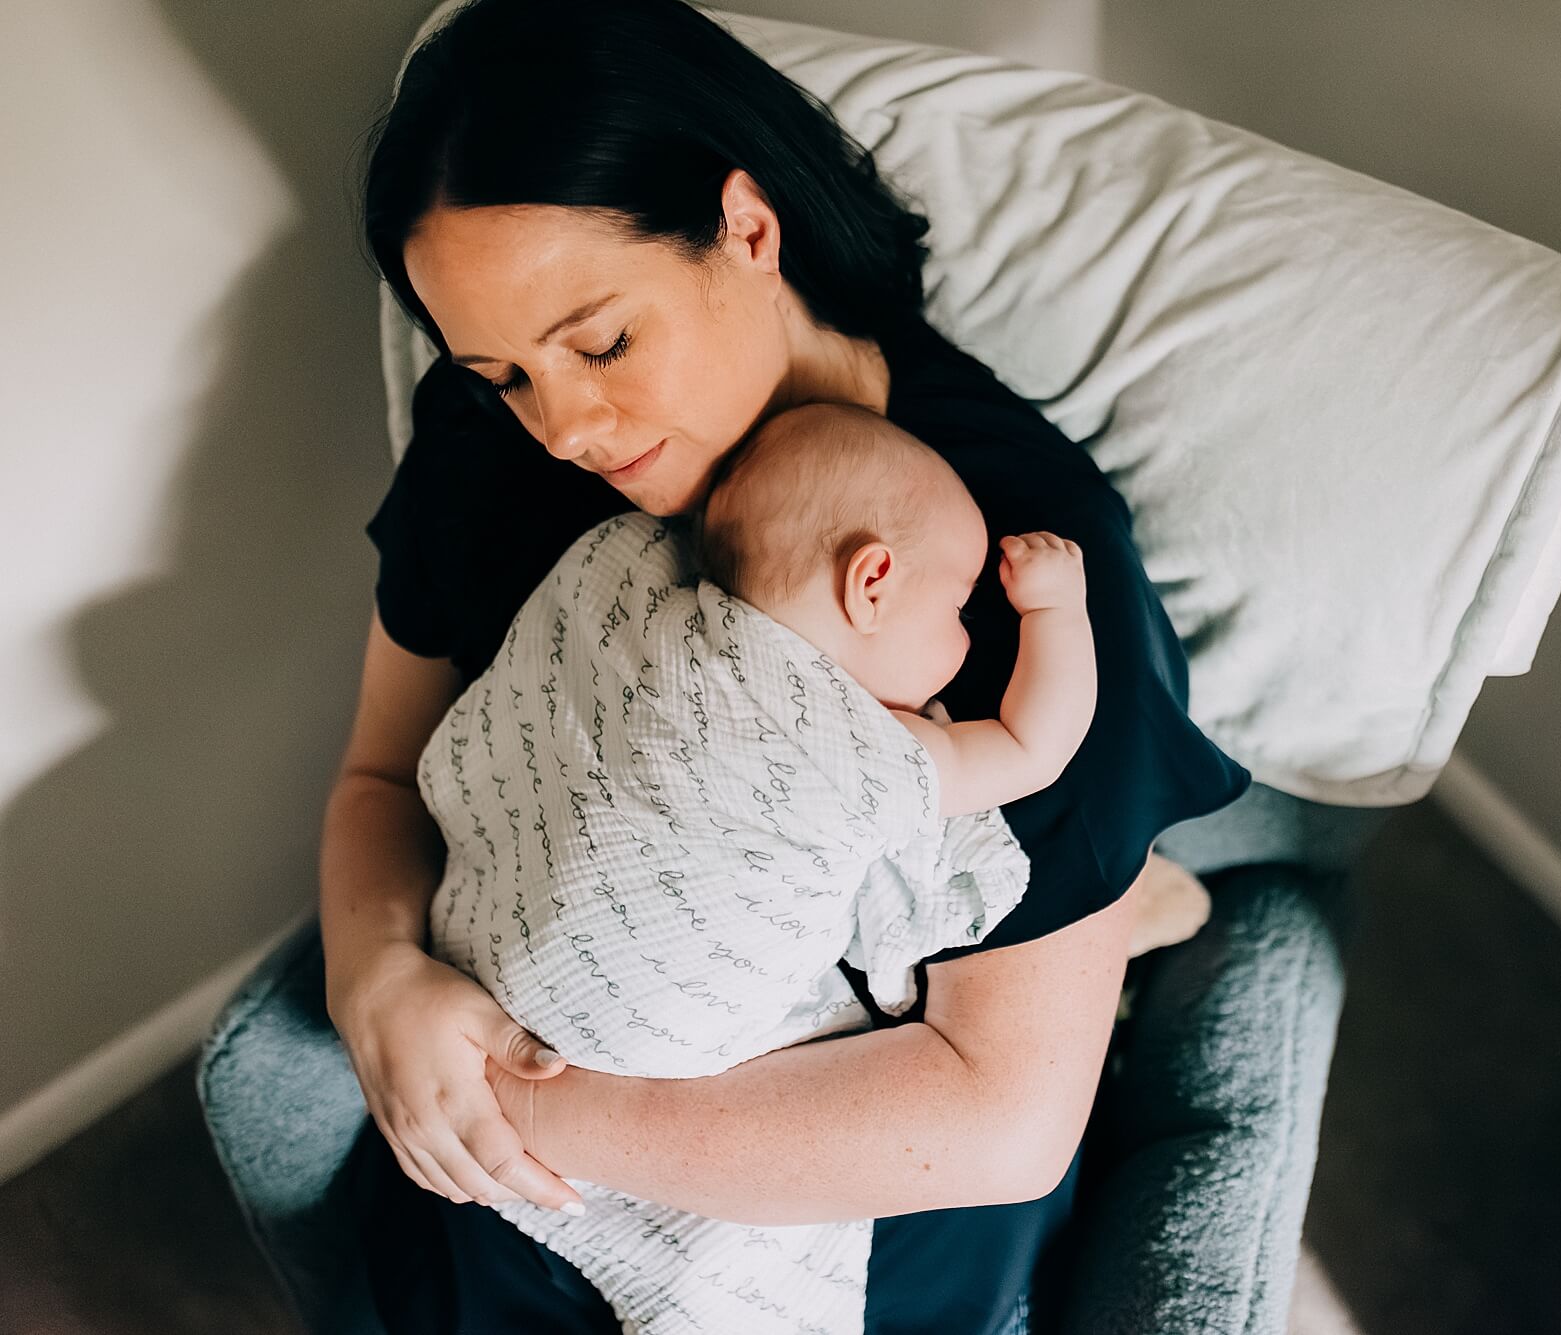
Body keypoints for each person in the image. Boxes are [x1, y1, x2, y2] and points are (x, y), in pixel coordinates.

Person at [315, 0, 1251, 1329]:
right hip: (516, 1097)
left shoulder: (988, 556)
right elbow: (379, 776)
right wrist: (380, 982)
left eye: (603, 340)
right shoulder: (491, 452)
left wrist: (526, 1106)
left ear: (749, 229)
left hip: (816, 1184)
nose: (566, 424)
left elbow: (997, 1114)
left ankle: (1116, 910)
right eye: (503, 369)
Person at [416, 402, 1097, 1333]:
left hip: (477, 957)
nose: (968, 638)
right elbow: (1033, 743)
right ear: (873, 581)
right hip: (631, 1033)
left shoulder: (636, 582)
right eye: (958, 604)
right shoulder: (857, 748)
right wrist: (1055, 606)